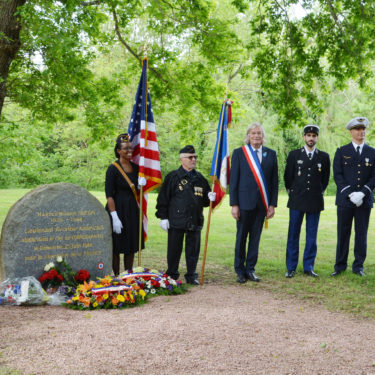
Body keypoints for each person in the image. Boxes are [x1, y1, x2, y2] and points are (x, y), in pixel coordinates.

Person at [155, 145, 214, 285]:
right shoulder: (173, 177)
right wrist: (163, 217)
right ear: (182, 159)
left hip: (195, 219)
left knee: (193, 249)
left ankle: (191, 274)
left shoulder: (200, 178)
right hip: (177, 220)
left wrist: (210, 197)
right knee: (174, 249)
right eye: (190, 157)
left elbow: (205, 202)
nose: (193, 160)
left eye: (195, 157)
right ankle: (172, 273)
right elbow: (163, 198)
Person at [229, 123, 278, 283]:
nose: (256, 136)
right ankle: (239, 270)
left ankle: (250, 269)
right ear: (248, 136)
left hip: (261, 205)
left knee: (255, 238)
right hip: (243, 204)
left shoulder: (271, 154)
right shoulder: (239, 153)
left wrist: (272, 204)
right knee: (241, 237)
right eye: (253, 133)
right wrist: (234, 204)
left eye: (259, 133)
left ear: (263, 136)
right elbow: (234, 180)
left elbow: (274, 182)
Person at [284, 125, 330, 278]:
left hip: (314, 201)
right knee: (293, 234)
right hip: (297, 200)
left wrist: (317, 192)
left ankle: (308, 266)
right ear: (304, 137)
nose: (311, 138)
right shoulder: (294, 155)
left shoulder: (323, 157)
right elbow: (288, 178)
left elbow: (325, 179)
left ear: (317, 138)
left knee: (312, 235)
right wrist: (294, 192)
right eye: (308, 135)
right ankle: (291, 267)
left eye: (314, 135)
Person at [331, 117, 375, 277]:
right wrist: (350, 193)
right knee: (343, 233)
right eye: (357, 129)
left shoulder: (372, 152)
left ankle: (358, 267)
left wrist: (363, 192)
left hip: (365, 200)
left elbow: (374, 177)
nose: (361, 132)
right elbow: (338, 175)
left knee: (361, 233)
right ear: (351, 132)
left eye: (363, 129)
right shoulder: (342, 151)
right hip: (345, 200)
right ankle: (339, 266)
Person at [105, 133, 144, 276]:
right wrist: (114, 217)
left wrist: (141, 187)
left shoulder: (136, 167)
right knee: (116, 246)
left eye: (131, 148)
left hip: (132, 210)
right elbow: (109, 194)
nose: (129, 151)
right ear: (118, 150)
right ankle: (116, 275)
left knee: (130, 245)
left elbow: (137, 193)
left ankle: (127, 275)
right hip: (117, 209)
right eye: (125, 148)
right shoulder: (113, 168)